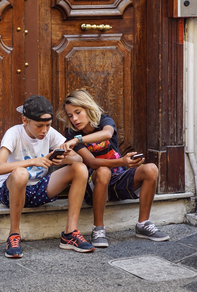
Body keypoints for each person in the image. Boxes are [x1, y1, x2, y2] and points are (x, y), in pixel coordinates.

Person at [57, 89, 170, 248]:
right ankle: (98, 229)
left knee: (151, 169)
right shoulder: (71, 132)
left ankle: (143, 224)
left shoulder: (104, 120)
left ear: (88, 108)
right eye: (70, 115)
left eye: (78, 112)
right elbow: (93, 162)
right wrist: (123, 162)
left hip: (117, 179)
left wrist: (77, 140)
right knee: (103, 171)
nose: (74, 119)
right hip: (93, 184)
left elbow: (107, 134)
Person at [0, 95, 95, 258]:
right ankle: (14, 235)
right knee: (20, 173)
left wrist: (63, 158)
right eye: (39, 126)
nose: (44, 131)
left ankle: (70, 234)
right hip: (11, 192)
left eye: (48, 125)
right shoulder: (14, 133)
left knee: (80, 168)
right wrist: (34, 161)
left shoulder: (49, 133)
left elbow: (79, 158)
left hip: (39, 191)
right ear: (25, 121)